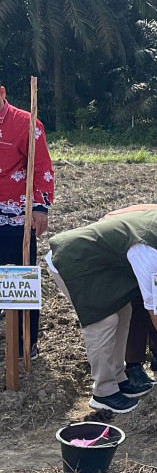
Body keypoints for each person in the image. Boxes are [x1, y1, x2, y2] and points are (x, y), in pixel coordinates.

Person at [46, 206, 157, 413]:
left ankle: (118, 378)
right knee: (103, 322)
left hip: (104, 267)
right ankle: (103, 392)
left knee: (123, 313)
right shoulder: (151, 251)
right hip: (75, 261)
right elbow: (155, 309)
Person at [0, 83, 54, 359]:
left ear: (2, 93)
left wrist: (40, 207)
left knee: (20, 278)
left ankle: (26, 341)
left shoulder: (27, 123)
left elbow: (42, 166)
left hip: (15, 216)